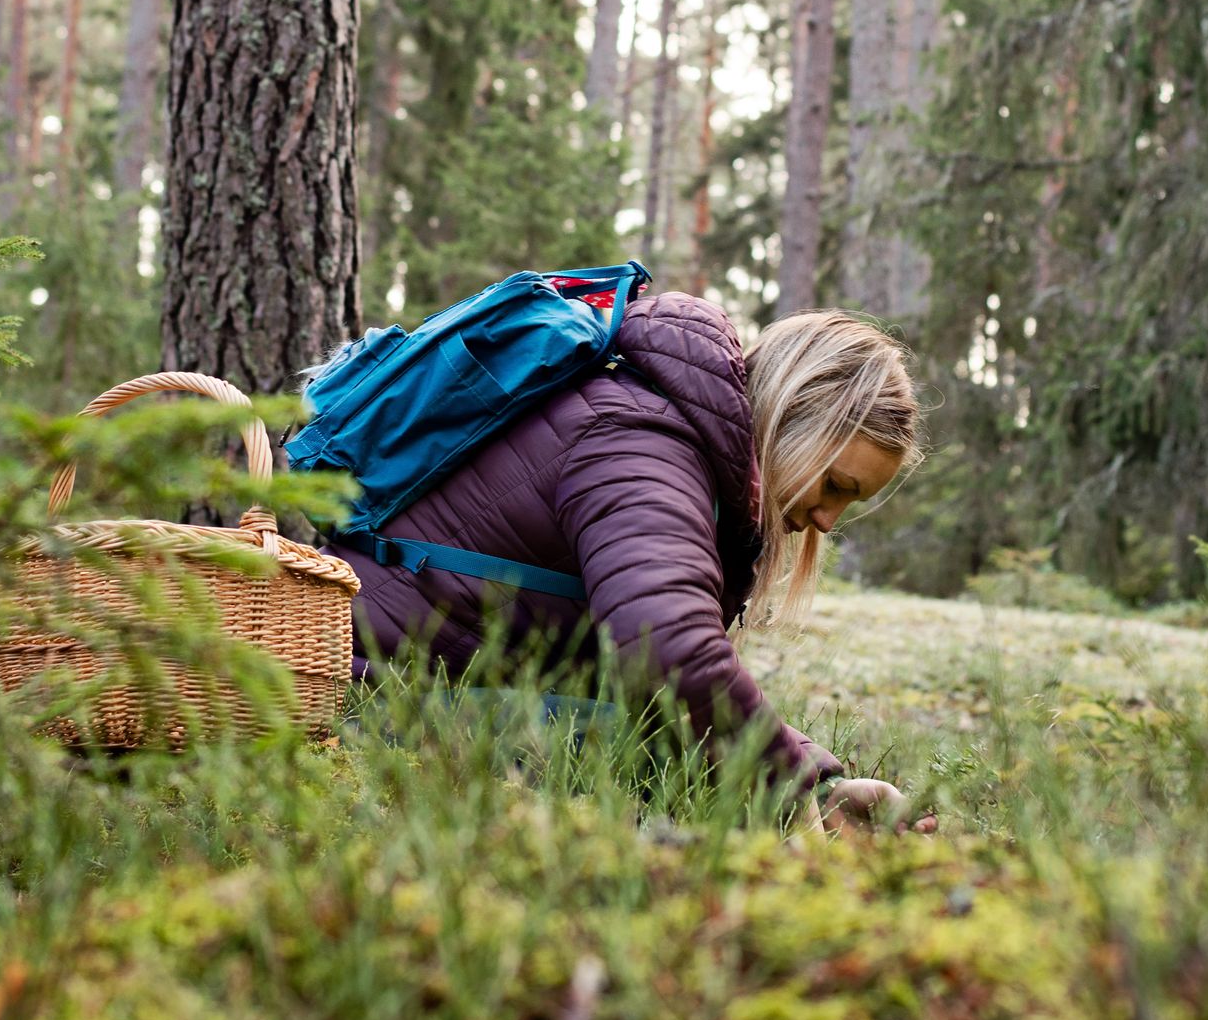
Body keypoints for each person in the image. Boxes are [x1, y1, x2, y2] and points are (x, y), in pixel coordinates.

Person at [325, 291, 931, 836]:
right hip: (358, 701)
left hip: (414, 692)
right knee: (659, 752)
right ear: (795, 421)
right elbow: (668, 651)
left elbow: (646, 679)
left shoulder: (668, 438)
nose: (828, 519)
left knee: (670, 742)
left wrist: (819, 783)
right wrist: (787, 787)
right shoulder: (640, 441)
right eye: (834, 484)